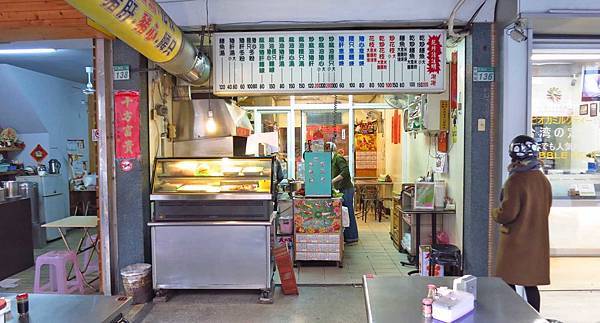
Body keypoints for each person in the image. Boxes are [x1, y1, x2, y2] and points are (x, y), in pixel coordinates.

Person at [492, 135, 552, 312]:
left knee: (506, 281)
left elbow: (507, 214)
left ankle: (512, 314)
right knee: (530, 284)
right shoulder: (542, 180)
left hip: (516, 242)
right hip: (537, 240)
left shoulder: (515, 180)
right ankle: (534, 317)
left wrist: (495, 213)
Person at [326, 142, 359, 244]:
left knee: (348, 212)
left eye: (327, 150)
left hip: (347, 189)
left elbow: (345, 172)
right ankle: (346, 236)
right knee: (344, 213)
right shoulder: (332, 160)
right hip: (340, 189)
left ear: (331, 150)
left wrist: (332, 181)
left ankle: (352, 237)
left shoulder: (338, 158)